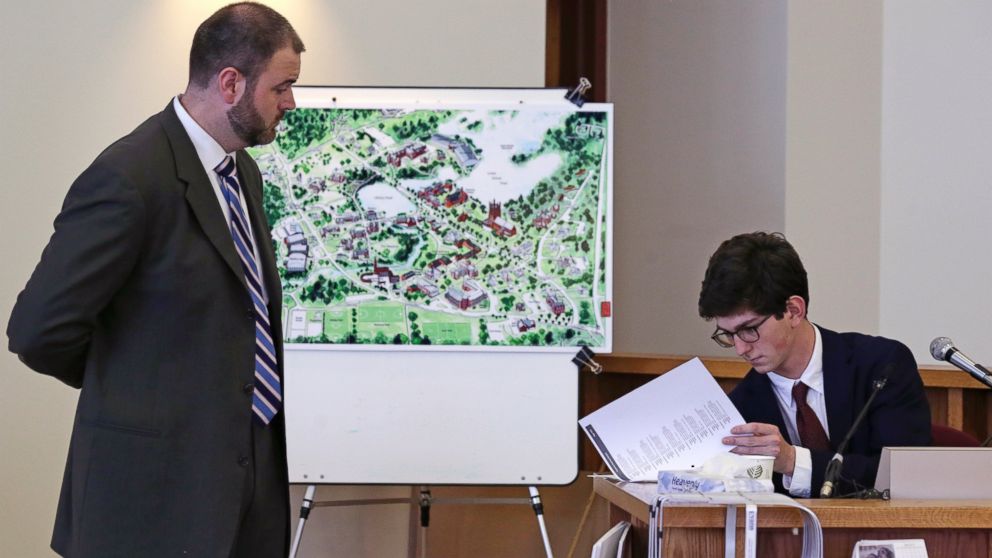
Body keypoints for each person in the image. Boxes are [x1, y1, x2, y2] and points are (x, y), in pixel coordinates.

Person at [7, 3, 303, 556]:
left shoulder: (243, 171)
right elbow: (36, 331)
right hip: (150, 506)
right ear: (231, 83)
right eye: (282, 87)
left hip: (243, 492)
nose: (291, 102)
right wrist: (133, 382)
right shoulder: (128, 177)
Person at [698, 232, 931, 497]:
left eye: (749, 329)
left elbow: (905, 478)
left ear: (794, 311)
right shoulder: (740, 409)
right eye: (727, 334)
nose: (740, 348)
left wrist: (792, 462)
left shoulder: (882, 367)